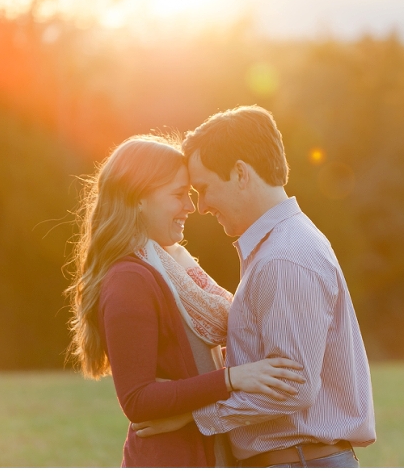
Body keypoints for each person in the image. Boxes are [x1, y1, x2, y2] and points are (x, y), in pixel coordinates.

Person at [132, 106, 376, 467]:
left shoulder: (284, 257)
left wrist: (195, 416)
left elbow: (292, 388)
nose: (201, 206)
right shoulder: (278, 248)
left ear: (241, 174)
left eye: (203, 188)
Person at [65, 134, 305, 467]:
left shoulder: (172, 266)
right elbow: (138, 400)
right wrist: (233, 377)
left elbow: (189, 364)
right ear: (138, 198)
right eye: (179, 196)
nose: (191, 207)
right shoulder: (129, 279)